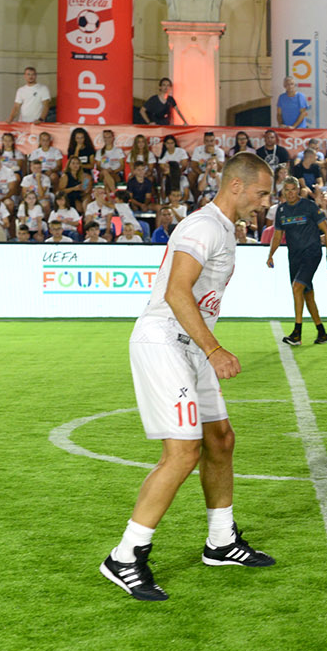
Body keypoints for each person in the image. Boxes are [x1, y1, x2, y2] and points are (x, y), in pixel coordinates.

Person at [100, 153, 275, 601]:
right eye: (262, 193)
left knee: (221, 440)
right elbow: (177, 292)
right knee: (182, 453)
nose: (265, 203)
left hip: (189, 347)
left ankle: (221, 541)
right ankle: (125, 555)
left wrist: (206, 349)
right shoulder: (204, 226)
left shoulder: (224, 229)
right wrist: (214, 349)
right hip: (164, 341)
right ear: (236, 186)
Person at [265, 179, 327, 346]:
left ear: (298, 190)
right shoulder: (281, 210)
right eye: (287, 190)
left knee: (297, 287)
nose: (290, 193)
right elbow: (277, 235)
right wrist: (271, 254)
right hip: (294, 256)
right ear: (283, 191)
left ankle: (297, 333)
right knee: (307, 294)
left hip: (312, 253)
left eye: (292, 189)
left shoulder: (309, 206)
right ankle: (322, 332)